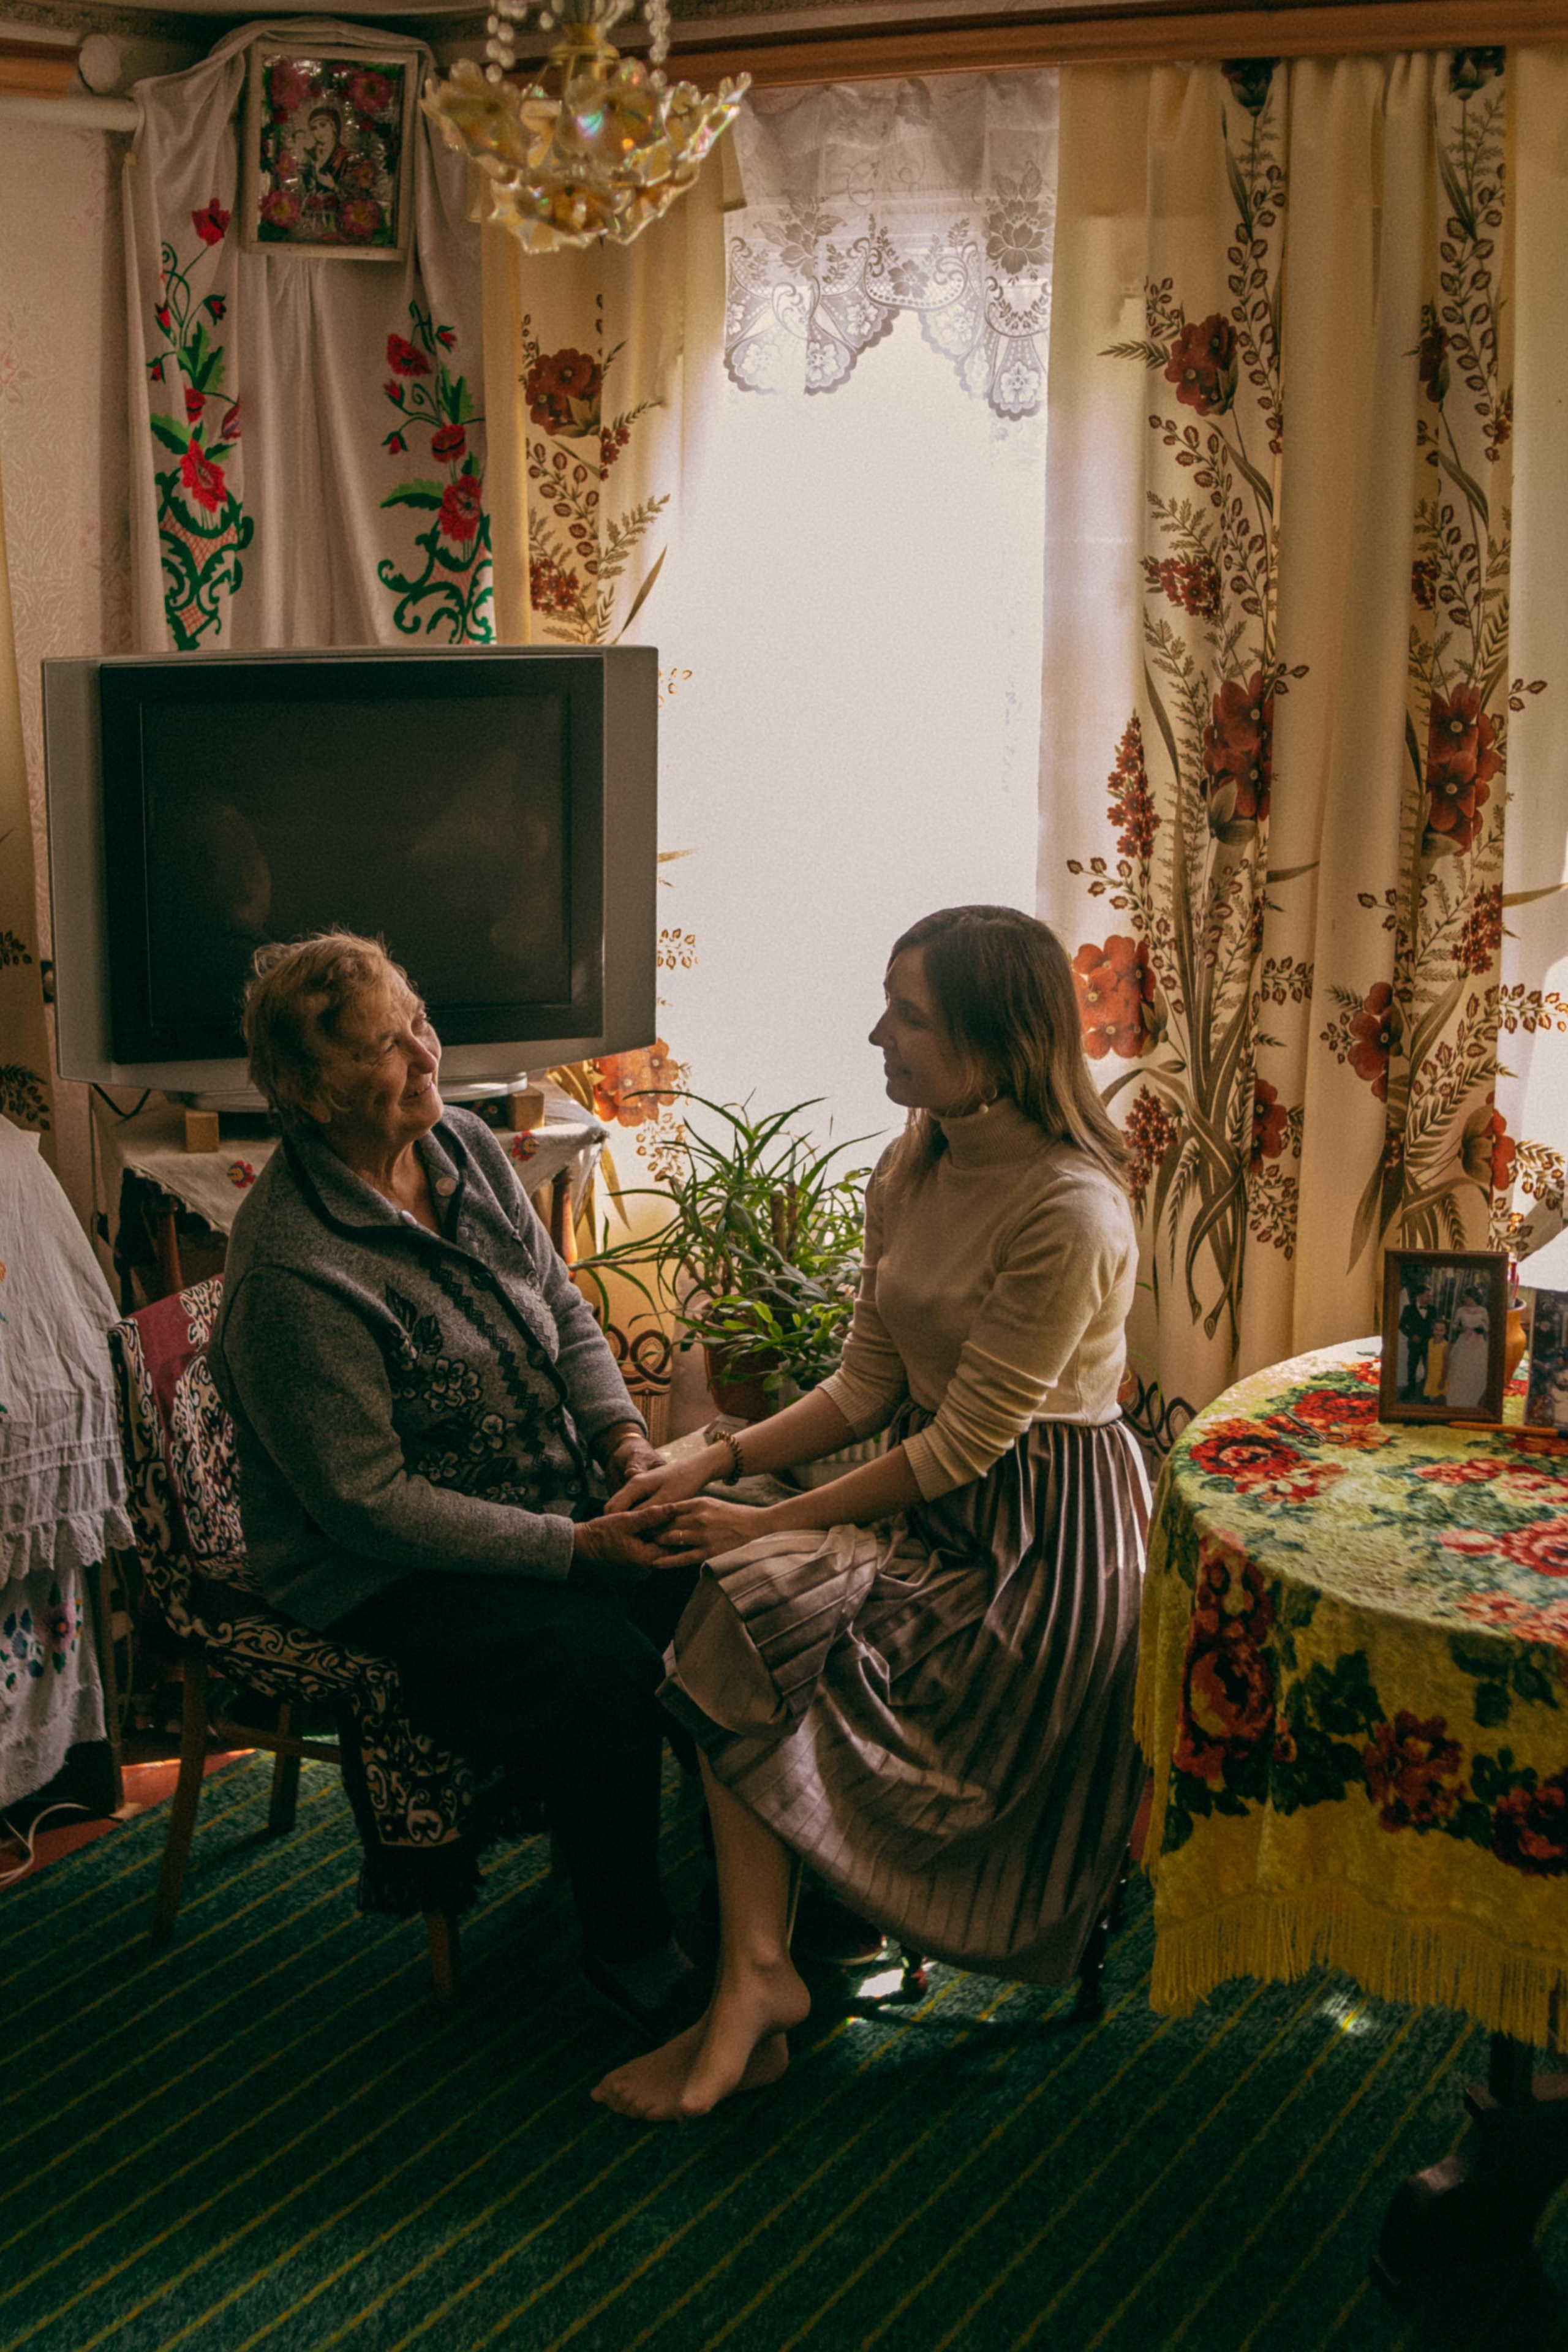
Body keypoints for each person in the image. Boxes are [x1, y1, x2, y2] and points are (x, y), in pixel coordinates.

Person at [593, 904, 1149, 2123]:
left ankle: (762, 1974)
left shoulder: (1067, 1208)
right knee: (711, 1564)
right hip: (934, 1502)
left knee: (743, 1582)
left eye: (906, 1016)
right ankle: (757, 1972)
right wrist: (711, 1460)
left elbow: (962, 1444)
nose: (875, 1037)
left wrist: (754, 1527)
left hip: (1034, 1551)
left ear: (999, 1042)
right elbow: (866, 1384)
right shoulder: (915, 1159)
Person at [211, 931, 699, 2031]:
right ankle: (628, 1947)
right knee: (597, 1665)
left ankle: (759, 1900)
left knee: (716, 1584)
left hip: (543, 1497)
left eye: (420, 1022)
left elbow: (563, 1308)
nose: (427, 1054)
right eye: (386, 1048)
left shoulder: (467, 1149)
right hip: (377, 1565)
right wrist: (573, 1551)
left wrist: (625, 1447)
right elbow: (365, 1502)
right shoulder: (294, 1267)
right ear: (309, 1090)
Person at [1445, 1285, 1491, 1410]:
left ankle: (1473, 1397)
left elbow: (1488, 1327)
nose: (1464, 1298)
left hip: (1478, 1342)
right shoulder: (1461, 1310)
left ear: (1472, 1297)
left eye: (1466, 1296)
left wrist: (1481, 1329)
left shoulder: (1483, 1311)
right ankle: (1458, 1399)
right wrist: (1461, 1328)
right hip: (1464, 1341)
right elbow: (1454, 1325)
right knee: (1460, 1368)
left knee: (1476, 1368)